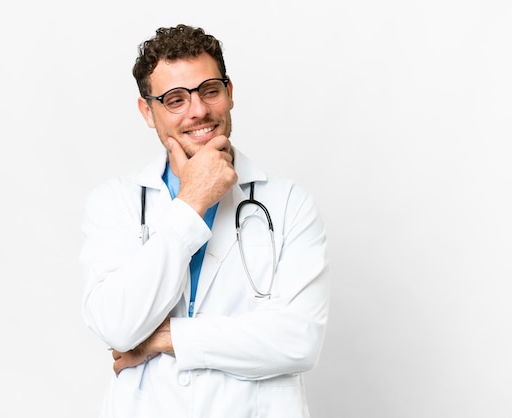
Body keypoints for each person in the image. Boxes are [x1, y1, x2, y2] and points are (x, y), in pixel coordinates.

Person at [80, 24, 330, 418]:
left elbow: (298, 340)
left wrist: (164, 338)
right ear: (148, 111)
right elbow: (117, 326)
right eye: (175, 99)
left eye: (209, 91)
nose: (198, 111)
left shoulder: (288, 203)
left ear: (229, 93)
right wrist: (192, 201)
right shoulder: (115, 203)